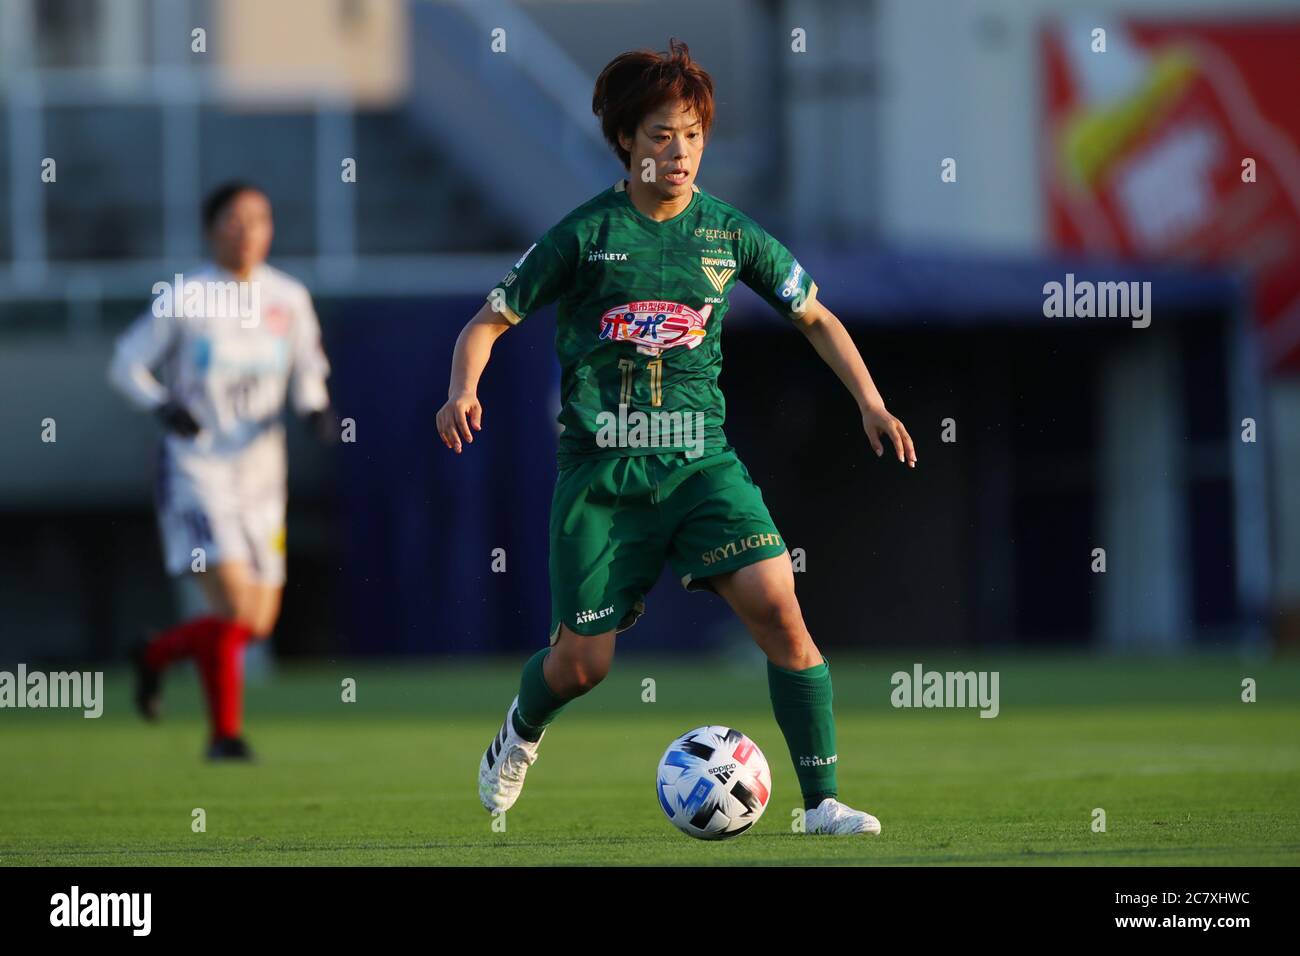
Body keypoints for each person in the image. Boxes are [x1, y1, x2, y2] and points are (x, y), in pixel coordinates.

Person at [437, 40, 915, 834]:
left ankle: (821, 803)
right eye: (661, 134)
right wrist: (463, 389)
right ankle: (519, 734)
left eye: (692, 133)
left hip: (699, 464)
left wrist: (870, 400)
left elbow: (816, 317)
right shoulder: (586, 234)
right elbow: (487, 321)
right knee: (582, 666)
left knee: (778, 605)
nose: (680, 151)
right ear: (626, 140)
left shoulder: (728, 234)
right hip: (602, 476)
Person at [108, 182, 336, 760]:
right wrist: (162, 403)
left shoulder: (288, 296)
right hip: (198, 471)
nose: (248, 230)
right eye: (235, 220)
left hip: (262, 478)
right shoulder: (186, 297)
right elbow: (125, 364)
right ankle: (224, 736)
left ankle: (155, 655)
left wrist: (313, 408)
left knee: (256, 624)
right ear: (212, 230)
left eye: (259, 219)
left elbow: (308, 367)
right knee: (233, 609)